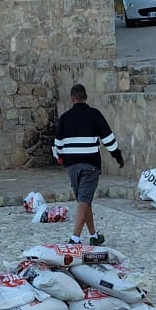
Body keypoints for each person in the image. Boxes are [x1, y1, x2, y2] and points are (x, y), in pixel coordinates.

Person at [51, 83, 124, 244]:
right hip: (90, 164)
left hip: (71, 166)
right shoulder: (94, 115)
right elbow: (108, 139)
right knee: (84, 201)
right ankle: (75, 238)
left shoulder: (64, 118)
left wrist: (60, 158)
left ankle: (94, 236)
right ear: (86, 97)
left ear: (72, 98)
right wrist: (117, 156)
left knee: (84, 200)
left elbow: (58, 145)